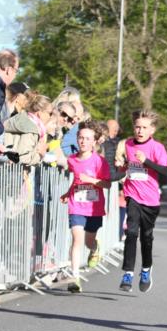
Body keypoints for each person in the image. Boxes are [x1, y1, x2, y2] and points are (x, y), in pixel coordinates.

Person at [116, 109, 167, 293]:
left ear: (152, 130)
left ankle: (146, 269)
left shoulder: (157, 148)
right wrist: (121, 167)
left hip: (151, 200)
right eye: (137, 127)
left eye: (144, 127)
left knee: (147, 238)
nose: (140, 131)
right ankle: (128, 273)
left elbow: (165, 172)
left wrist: (146, 160)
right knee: (131, 233)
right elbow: (127, 168)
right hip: (132, 196)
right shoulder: (128, 145)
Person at [60, 120, 111, 293]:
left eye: (88, 139)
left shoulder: (99, 162)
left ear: (95, 141)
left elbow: (107, 184)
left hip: (93, 208)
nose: (83, 142)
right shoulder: (72, 160)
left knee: (88, 241)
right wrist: (68, 193)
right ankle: (74, 277)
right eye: (81, 138)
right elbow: (76, 180)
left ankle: (95, 247)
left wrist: (91, 180)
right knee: (77, 239)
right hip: (77, 205)